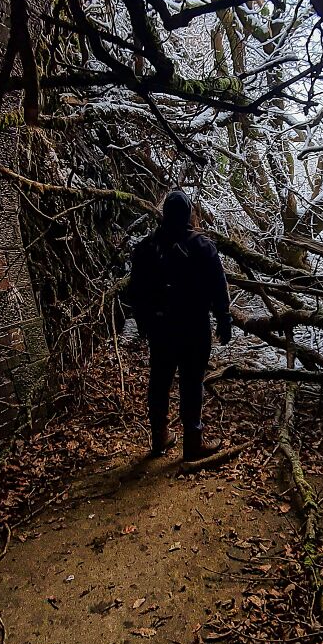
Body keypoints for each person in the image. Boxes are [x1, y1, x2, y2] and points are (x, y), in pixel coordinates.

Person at [127, 189, 233, 459]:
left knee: (159, 381)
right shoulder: (202, 246)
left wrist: (142, 322)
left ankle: (159, 438)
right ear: (188, 214)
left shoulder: (146, 247)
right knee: (191, 382)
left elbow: (136, 291)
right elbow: (219, 287)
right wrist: (224, 318)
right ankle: (192, 443)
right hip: (194, 327)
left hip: (161, 329)